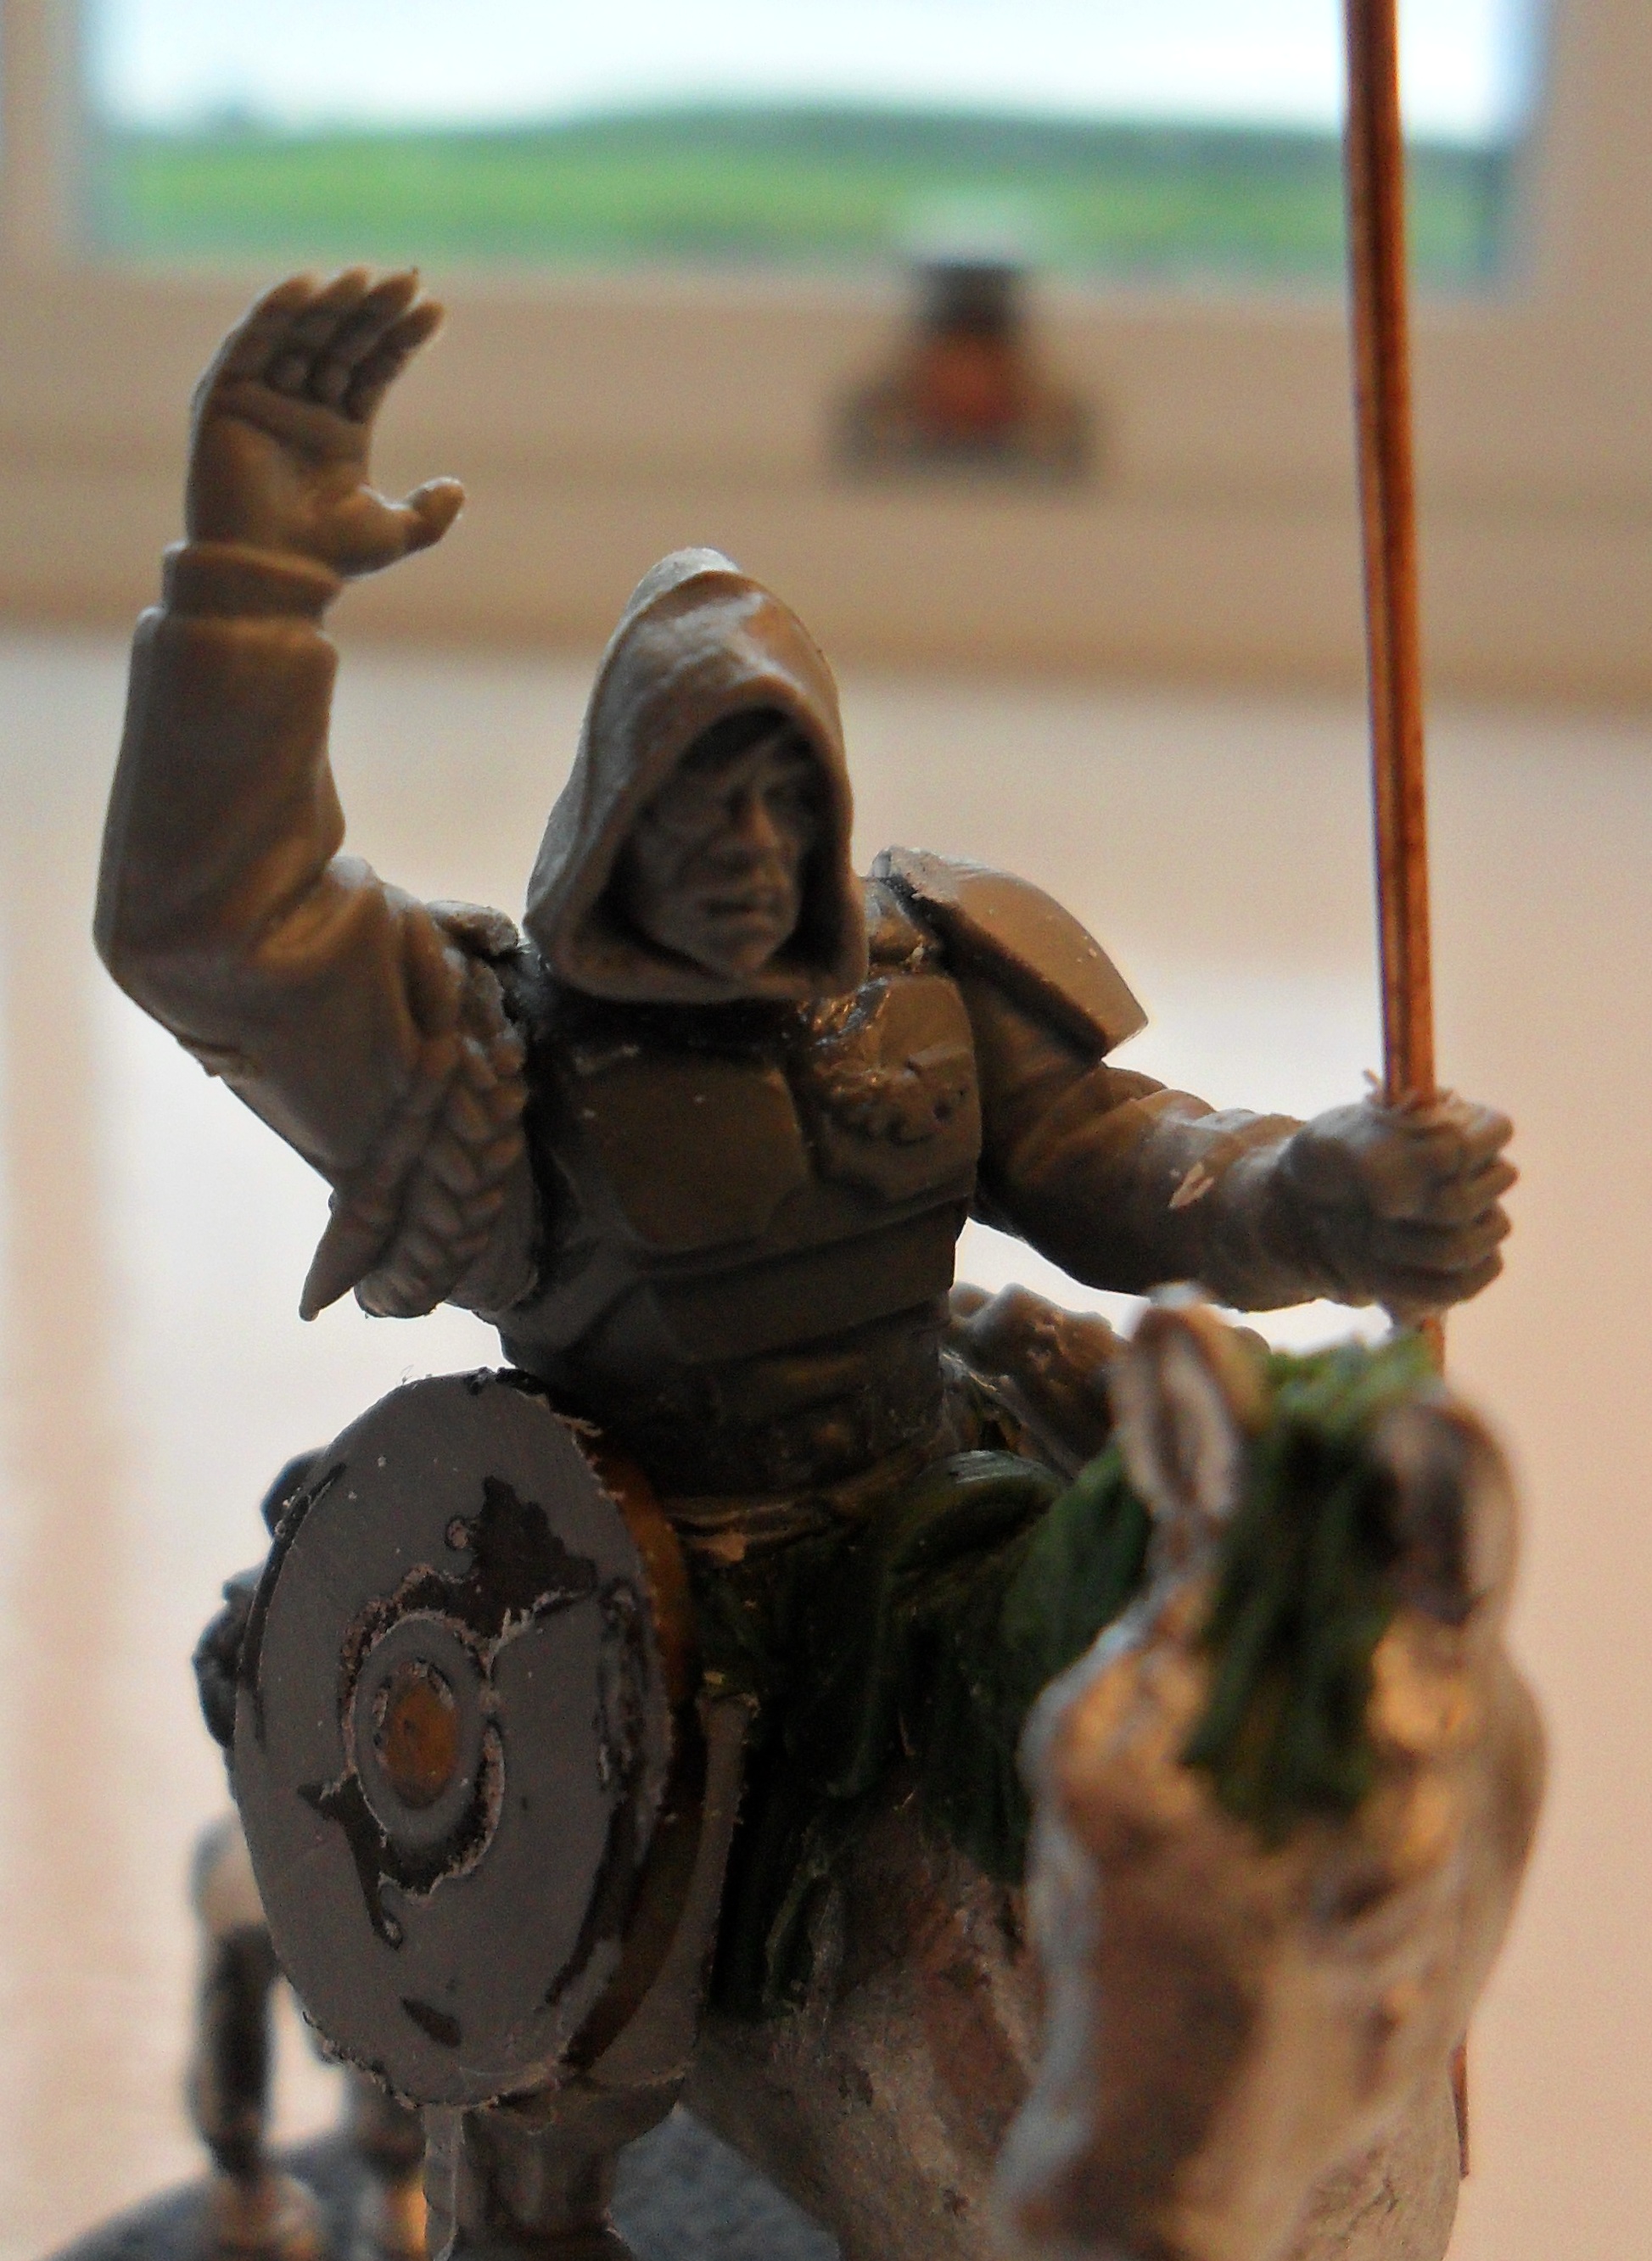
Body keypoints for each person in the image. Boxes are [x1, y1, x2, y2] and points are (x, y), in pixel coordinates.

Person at [95, 268, 1516, 2258]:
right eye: (700, 795)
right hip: (666, 1581)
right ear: (613, 811)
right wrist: (251, 588)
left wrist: (1315, 1195)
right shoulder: (489, 1056)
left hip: (941, 1478)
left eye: (782, 792)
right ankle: (529, 2201)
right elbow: (216, 927)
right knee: (600, 1968)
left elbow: (1131, 1164)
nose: (749, 845)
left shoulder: (936, 971)